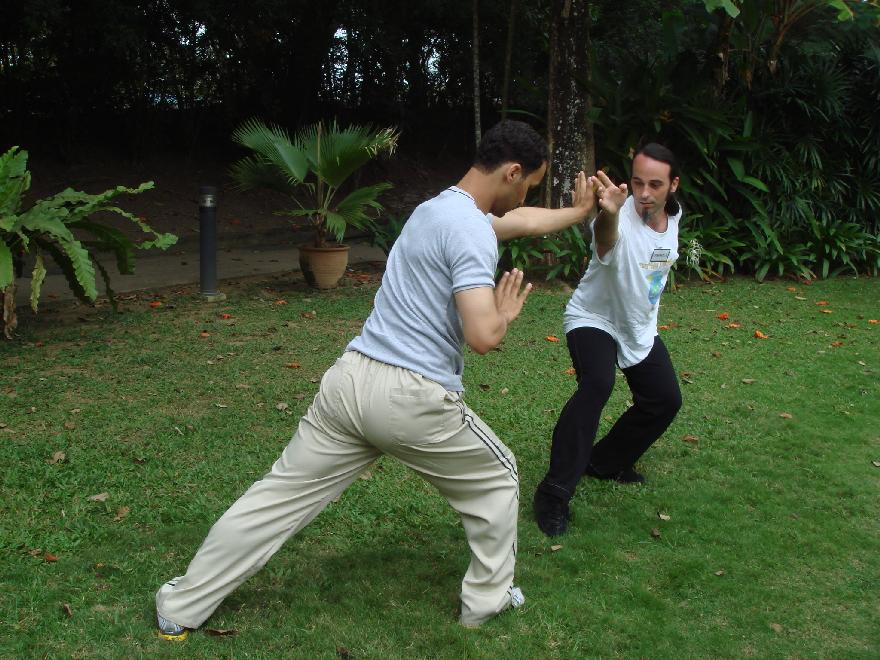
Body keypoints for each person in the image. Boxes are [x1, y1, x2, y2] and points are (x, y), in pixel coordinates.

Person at [155, 120, 598, 639]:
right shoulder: (472, 230)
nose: (527, 195)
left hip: (348, 383)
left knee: (276, 498)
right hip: (411, 399)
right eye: (529, 184)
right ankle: (487, 600)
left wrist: (579, 212)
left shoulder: (432, 212)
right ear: (512, 171)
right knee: (499, 478)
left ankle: (181, 605)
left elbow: (519, 222)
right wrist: (503, 314)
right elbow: (482, 336)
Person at [533, 143, 684, 537]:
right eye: (638, 182)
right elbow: (606, 240)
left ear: (673, 186)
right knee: (597, 385)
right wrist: (610, 213)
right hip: (594, 318)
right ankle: (553, 493)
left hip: (638, 326)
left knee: (665, 400)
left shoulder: (674, 218)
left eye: (655, 184)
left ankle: (603, 463)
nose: (645, 193)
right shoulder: (616, 215)